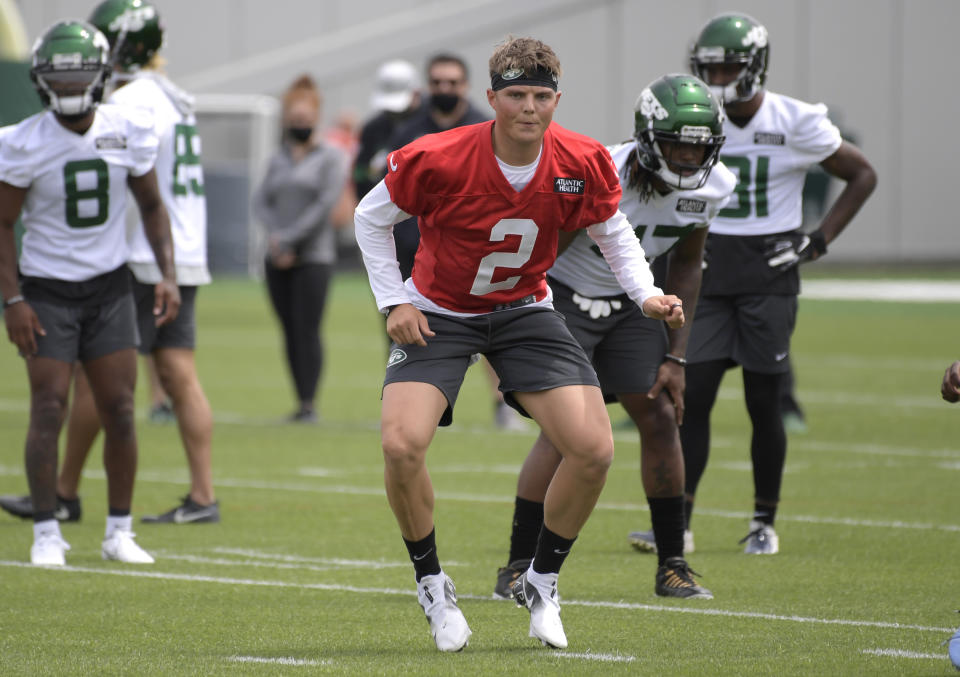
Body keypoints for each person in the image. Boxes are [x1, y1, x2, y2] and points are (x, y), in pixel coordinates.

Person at [354, 35, 684, 652]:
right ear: (492, 99)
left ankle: (542, 579)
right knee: (401, 446)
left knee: (593, 449)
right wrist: (393, 299)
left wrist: (645, 295)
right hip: (439, 311)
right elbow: (370, 219)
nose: (528, 108)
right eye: (515, 95)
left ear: (556, 99)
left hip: (523, 311)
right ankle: (432, 584)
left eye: (539, 95)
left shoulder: (580, 160)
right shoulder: (439, 155)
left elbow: (613, 233)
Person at [492, 74, 735, 602]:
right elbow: (546, 248)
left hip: (636, 303)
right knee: (563, 433)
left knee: (661, 415)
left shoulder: (715, 186)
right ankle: (517, 564)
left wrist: (677, 355)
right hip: (565, 294)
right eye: (676, 145)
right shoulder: (597, 168)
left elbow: (688, 265)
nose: (689, 160)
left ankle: (673, 564)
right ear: (648, 139)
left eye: (699, 148)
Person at [0, 0, 221, 526]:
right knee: (168, 372)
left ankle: (65, 491)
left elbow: (129, 181)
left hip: (138, 255)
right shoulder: (172, 95)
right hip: (179, 245)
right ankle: (194, 492)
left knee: (103, 382)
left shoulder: (130, 103)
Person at [670, 12, 877, 555]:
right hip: (708, 265)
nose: (718, 79)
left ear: (755, 65)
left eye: (729, 67)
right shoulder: (696, 115)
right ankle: (680, 523)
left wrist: (820, 239)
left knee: (765, 401)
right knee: (694, 396)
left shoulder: (796, 118)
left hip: (769, 268)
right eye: (709, 68)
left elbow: (862, 174)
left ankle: (763, 521)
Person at [389, 52, 526, 431]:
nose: (444, 89)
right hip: (411, 249)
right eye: (437, 83)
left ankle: (502, 406)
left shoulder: (487, 128)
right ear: (426, 86)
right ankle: (409, 406)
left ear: (466, 87)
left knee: (492, 327)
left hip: (474, 251)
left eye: (452, 83)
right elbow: (383, 197)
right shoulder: (408, 130)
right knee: (403, 324)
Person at [253, 74, 350, 423]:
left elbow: (324, 205)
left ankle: (309, 402)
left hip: (313, 257)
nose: (300, 125)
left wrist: (291, 238)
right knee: (289, 330)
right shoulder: (277, 157)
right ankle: (299, 401)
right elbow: (261, 200)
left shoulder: (329, 157)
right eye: (295, 120)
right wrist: (277, 238)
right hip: (277, 257)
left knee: (307, 328)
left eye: (305, 120)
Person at [352, 59, 421, 201]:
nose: (394, 114)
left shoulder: (432, 123)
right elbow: (360, 173)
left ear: (416, 93)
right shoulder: (373, 129)